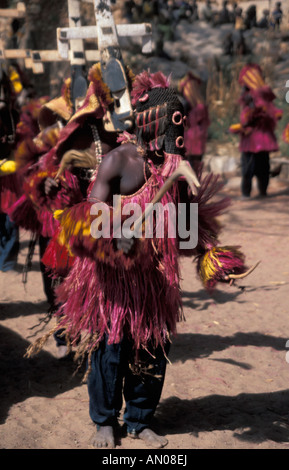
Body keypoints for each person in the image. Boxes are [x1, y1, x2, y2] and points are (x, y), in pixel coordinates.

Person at [27, 70, 247, 448]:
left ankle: (140, 419)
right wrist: (117, 232)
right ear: (151, 126)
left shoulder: (176, 168)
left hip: (156, 280)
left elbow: (188, 225)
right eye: (168, 132)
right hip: (113, 277)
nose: (173, 144)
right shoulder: (118, 160)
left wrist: (210, 253)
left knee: (152, 347)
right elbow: (90, 210)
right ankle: (105, 421)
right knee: (111, 348)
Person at [229, 63, 283, 199]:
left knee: (249, 167)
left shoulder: (254, 95)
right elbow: (274, 113)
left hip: (252, 138)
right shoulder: (264, 94)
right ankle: (262, 192)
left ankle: (247, 193)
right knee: (263, 166)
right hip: (263, 138)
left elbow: (250, 117)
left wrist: (246, 122)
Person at [178, 71, 210, 170]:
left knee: (190, 168)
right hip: (198, 143)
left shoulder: (191, 106)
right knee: (195, 167)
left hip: (191, 143)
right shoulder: (201, 105)